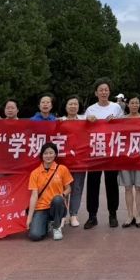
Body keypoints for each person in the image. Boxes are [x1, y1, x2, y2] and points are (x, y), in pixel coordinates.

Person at [84, 78, 123, 229]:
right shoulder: (90, 109)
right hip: (95, 151)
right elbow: (84, 130)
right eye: (101, 90)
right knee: (93, 184)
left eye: (106, 90)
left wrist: (116, 121)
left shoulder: (116, 108)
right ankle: (92, 216)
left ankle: (113, 214)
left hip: (111, 151)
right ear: (96, 93)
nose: (104, 92)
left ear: (109, 92)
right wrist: (88, 121)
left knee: (111, 183)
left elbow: (124, 127)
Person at [27, 142, 72, 241]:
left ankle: (57, 227)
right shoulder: (35, 173)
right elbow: (34, 196)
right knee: (34, 235)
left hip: (57, 206)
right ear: (42, 155)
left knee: (57, 199)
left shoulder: (62, 169)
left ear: (55, 154)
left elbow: (68, 188)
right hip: (41, 208)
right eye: (46, 153)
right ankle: (46, 225)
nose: (48, 156)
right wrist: (29, 218)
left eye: (51, 153)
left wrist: (62, 195)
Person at [118, 94, 140, 228]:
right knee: (128, 187)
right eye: (132, 103)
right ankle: (129, 215)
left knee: (139, 187)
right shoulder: (121, 120)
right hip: (125, 157)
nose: (134, 105)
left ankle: (138, 215)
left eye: (137, 103)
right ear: (127, 104)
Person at [59, 96, 86, 227]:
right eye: (70, 104)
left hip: (80, 160)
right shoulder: (60, 121)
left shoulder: (85, 120)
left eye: (75, 104)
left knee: (77, 187)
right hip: (63, 161)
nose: (73, 106)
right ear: (65, 107)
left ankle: (74, 214)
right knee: (63, 187)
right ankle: (63, 215)